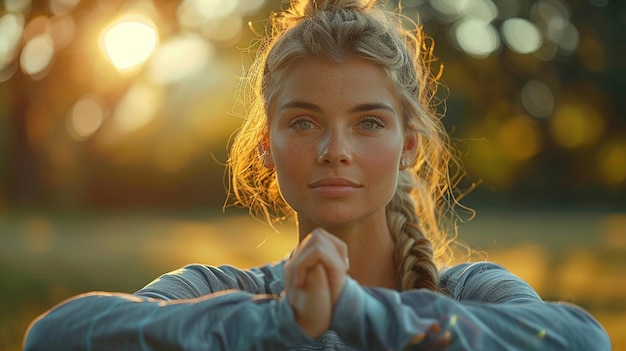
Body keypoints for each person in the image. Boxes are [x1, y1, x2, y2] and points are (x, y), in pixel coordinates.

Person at [24, 0, 610, 350]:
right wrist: (281, 321)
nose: (335, 150)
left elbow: (583, 341)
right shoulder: (224, 293)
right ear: (265, 147)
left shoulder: (469, 293)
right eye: (304, 123)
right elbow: (55, 337)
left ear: (409, 146)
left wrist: (356, 312)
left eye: (369, 124)